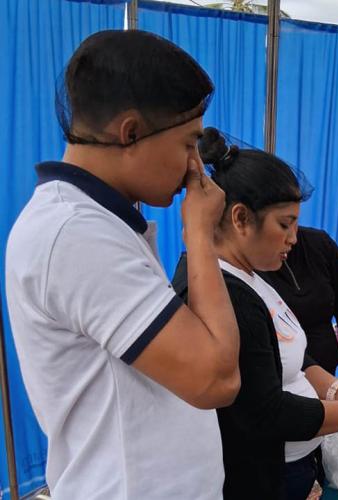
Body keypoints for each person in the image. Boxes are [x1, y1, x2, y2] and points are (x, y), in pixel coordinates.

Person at [4, 31, 240, 499]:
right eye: (188, 144)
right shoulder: (75, 236)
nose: (194, 166)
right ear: (129, 133)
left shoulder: (97, 223)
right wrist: (199, 234)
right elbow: (216, 378)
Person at [172, 128, 338, 500]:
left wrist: (337, 389)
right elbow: (263, 412)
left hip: (287, 465)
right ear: (241, 219)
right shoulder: (221, 293)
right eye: (284, 224)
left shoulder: (249, 275)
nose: (293, 237)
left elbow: (287, 352)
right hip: (249, 479)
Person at [259, 227, 338, 391]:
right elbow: (286, 352)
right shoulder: (246, 273)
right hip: (286, 391)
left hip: (328, 384)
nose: (292, 238)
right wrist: (336, 392)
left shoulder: (320, 245)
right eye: (283, 223)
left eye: (294, 222)